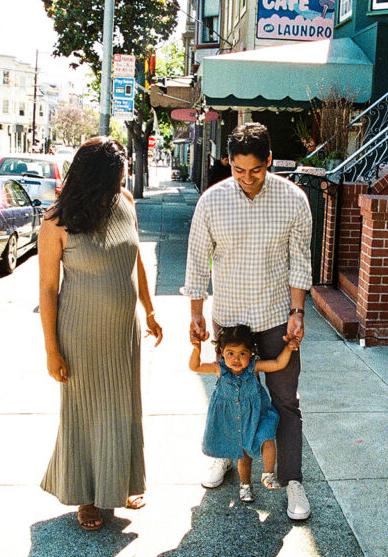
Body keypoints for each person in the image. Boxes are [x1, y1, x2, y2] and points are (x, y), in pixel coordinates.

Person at [182, 122, 313, 520]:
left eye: (256, 170)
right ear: (229, 162)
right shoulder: (212, 201)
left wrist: (297, 313)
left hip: (275, 317)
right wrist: (196, 313)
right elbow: (197, 261)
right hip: (230, 321)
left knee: (285, 400)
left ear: (269, 160)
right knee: (228, 396)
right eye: (239, 170)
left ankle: (292, 480)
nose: (248, 178)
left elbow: (300, 262)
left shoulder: (294, 200)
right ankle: (226, 456)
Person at [38, 136, 163, 531]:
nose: (120, 185)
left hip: (124, 330)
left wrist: (150, 309)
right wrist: (51, 350)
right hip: (81, 332)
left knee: (124, 408)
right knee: (85, 412)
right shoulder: (56, 221)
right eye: (115, 179)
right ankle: (88, 497)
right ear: (94, 178)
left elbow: (135, 259)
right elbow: (47, 290)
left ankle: (122, 484)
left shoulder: (124, 202)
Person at [189, 324, 299, 502]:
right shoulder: (219, 369)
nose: (236, 359)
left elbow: (278, 363)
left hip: (257, 417)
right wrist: (197, 349)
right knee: (244, 457)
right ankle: (245, 485)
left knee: (267, 438)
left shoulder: (253, 367)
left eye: (242, 353)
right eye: (230, 353)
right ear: (222, 351)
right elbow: (195, 366)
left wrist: (289, 348)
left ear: (251, 353)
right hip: (236, 420)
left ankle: (268, 474)